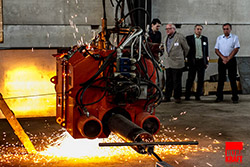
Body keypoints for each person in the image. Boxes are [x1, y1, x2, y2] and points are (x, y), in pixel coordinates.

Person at [162, 24, 189, 103]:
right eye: (166, 29)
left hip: (177, 63)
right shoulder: (165, 38)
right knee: (168, 81)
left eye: (169, 29)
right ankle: (167, 96)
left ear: (173, 29)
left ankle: (177, 97)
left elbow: (186, 48)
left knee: (177, 81)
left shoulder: (179, 37)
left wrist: (182, 57)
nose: (167, 30)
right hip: (168, 63)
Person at [214, 23, 240, 103]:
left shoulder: (235, 38)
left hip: (231, 60)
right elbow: (216, 50)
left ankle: (235, 97)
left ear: (230, 29)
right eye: (224, 29)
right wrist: (223, 58)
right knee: (221, 79)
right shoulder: (219, 38)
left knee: (232, 79)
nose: (226, 30)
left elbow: (236, 49)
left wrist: (228, 58)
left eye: (227, 29)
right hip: (222, 60)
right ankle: (219, 97)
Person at [185, 24, 209, 101]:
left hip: (201, 61)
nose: (199, 31)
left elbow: (206, 51)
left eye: (200, 29)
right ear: (194, 30)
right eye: (198, 29)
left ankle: (198, 95)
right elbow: (186, 50)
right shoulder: (189, 38)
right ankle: (187, 95)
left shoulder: (204, 39)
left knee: (200, 79)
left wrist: (206, 62)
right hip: (193, 62)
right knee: (190, 79)